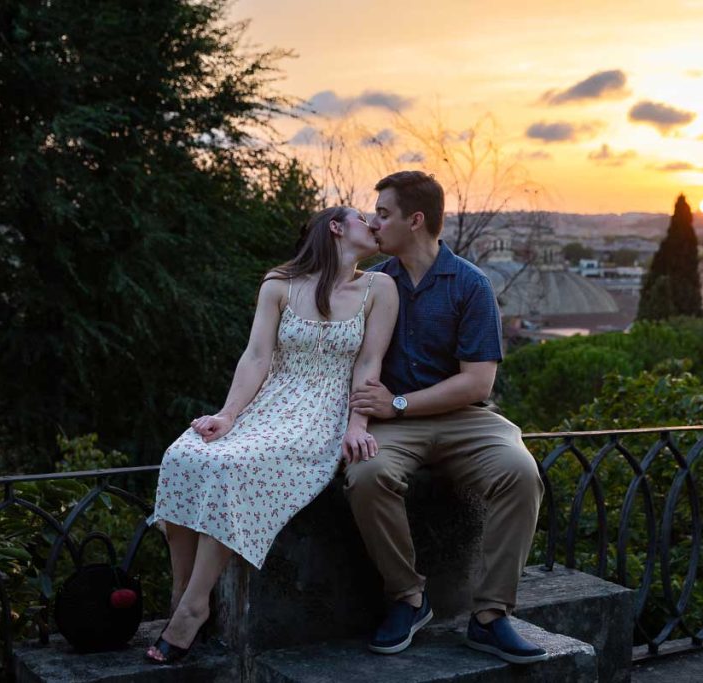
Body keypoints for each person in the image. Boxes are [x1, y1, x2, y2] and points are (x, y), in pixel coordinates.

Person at [144, 206, 398, 664]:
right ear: (336, 227)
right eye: (365, 217)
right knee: (184, 455)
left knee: (230, 466)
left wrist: (357, 425)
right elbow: (257, 357)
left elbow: (368, 364)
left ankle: (194, 609)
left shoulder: (379, 288)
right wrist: (228, 415)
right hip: (267, 405)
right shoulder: (279, 283)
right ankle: (181, 594)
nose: (375, 225)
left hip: (320, 414)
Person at [345, 171, 548, 664]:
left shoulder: (470, 284)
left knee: (521, 474)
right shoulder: (373, 285)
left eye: (384, 213)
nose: (375, 223)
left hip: (462, 418)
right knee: (367, 475)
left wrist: (397, 404)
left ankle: (490, 616)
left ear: (415, 221)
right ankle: (408, 598)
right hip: (394, 425)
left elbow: (478, 383)